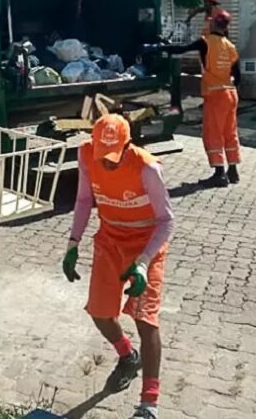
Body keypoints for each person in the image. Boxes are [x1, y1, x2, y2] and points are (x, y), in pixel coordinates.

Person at [62, 114, 175, 419]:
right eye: (103, 155)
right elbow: (84, 200)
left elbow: (166, 222)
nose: (108, 164)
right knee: (100, 313)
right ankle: (128, 356)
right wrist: (73, 243)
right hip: (110, 239)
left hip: (145, 244)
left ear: (127, 146)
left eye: (114, 157)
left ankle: (149, 404)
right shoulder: (86, 154)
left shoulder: (147, 167)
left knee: (145, 319)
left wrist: (142, 263)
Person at [160, 10, 241, 187]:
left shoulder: (206, 42)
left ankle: (219, 174)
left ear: (214, 24)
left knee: (213, 133)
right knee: (230, 132)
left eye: (210, 21)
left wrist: (160, 47)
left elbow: (182, 49)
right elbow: (238, 76)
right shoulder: (230, 46)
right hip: (231, 95)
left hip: (215, 95)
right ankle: (233, 171)